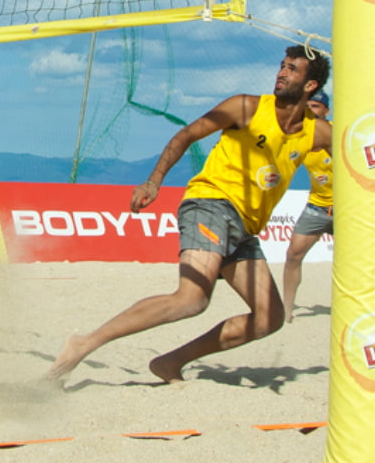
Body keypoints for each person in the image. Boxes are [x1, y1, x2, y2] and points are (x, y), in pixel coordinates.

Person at [49, 46, 336, 384]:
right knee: (191, 298)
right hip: (210, 204)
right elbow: (187, 134)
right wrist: (154, 180)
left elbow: (361, 160)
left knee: (269, 318)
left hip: (244, 228)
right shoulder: (246, 106)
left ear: (310, 86)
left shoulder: (317, 132)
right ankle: (83, 344)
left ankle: (170, 362)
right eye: (282, 66)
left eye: (292, 69)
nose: (282, 73)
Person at [283, 88, 333, 323]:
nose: (310, 110)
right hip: (317, 206)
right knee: (293, 254)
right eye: (307, 106)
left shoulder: (338, 133)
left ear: (326, 111)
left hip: (348, 209)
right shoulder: (302, 137)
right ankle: (287, 309)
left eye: (315, 106)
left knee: (356, 261)